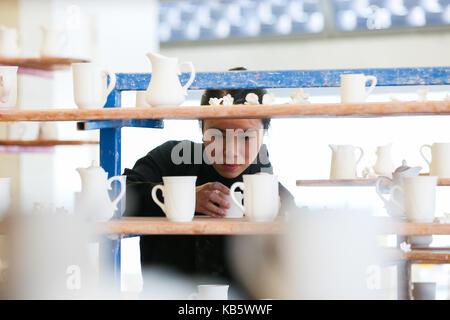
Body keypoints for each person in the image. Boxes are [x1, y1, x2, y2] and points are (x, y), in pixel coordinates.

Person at [123, 68, 296, 297]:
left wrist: (279, 214)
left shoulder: (265, 186)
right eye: (218, 134)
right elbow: (113, 197)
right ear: (201, 128)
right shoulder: (171, 158)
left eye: (245, 137)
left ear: (264, 133)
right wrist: (182, 198)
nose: (230, 152)